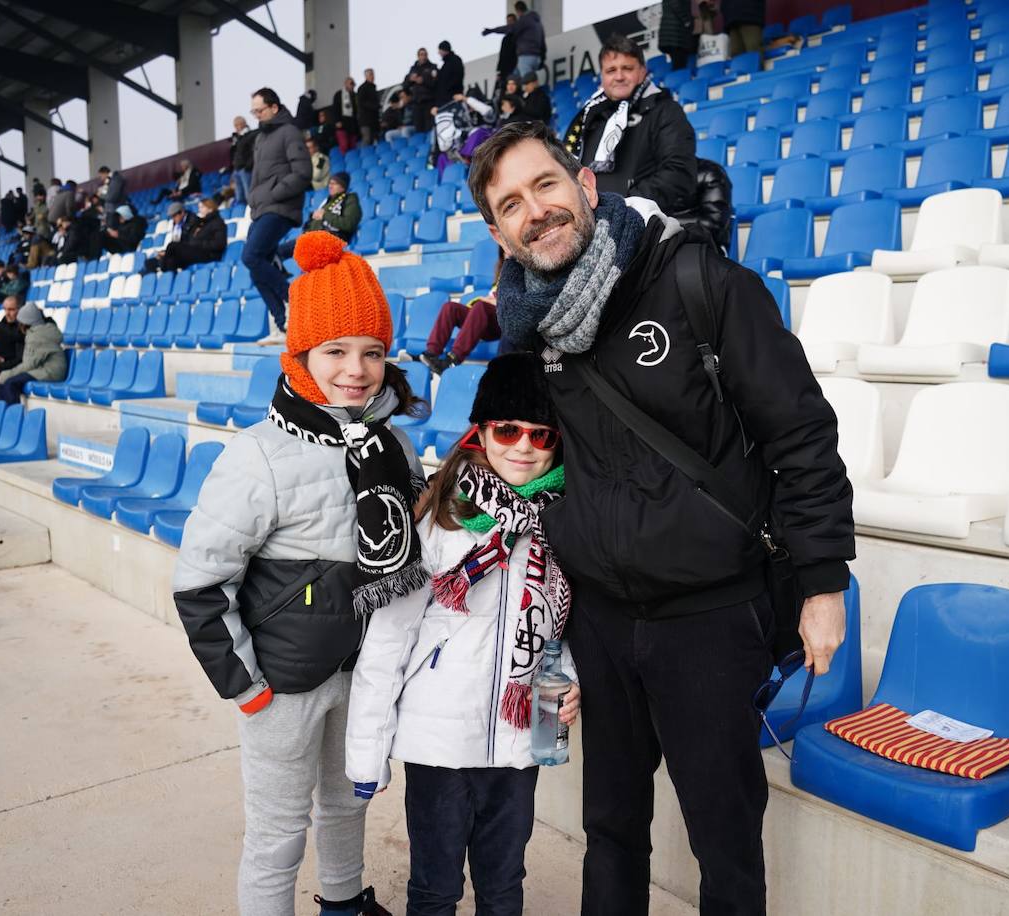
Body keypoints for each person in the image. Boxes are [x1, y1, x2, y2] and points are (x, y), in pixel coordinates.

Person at [467, 120, 854, 913]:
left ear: (586, 184)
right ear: (499, 235)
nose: (535, 210)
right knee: (610, 829)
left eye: (545, 185)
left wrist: (821, 582)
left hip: (709, 614)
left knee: (724, 837)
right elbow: (523, 478)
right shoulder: (525, 340)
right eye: (511, 204)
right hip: (602, 626)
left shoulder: (696, 282)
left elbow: (800, 431)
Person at [173, 231, 419, 916]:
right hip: (281, 683)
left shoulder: (393, 443)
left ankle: (343, 904)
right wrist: (245, 686)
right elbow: (198, 582)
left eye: (372, 352)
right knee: (277, 835)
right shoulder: (259, 454)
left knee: (346, 808)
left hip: (364, 672)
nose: (356, 369)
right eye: (336, 351)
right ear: (301, 354)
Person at [346, 352, 581, 916]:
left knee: (504, 884)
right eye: (507, 429)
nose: (523, 446)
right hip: (438, 744)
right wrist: (368, 753)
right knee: (435, 886)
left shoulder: (563, 525)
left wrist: (568, 679)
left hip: (521, 742)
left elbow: (559, 628)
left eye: (540, 434)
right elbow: (387, 640)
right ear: (481, 431)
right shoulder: (440, 520)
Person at [563, 34, 697, 217]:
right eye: (611, 70)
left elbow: (679, 174)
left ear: (642, 72)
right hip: (590, 221)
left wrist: (625, 205)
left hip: (640, 222)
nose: (619, 76)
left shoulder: (665, 111)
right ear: (602, 77)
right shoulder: (588, 118)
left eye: (627, 68)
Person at [245, 86, 311, 338]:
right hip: (261, 208)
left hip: (280, 206)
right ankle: (282, 322)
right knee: (255, 266)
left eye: (259, 110)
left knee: (250, 256)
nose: (257, 115)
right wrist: (254, 198)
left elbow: (303, 172)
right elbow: (256, 177)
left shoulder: (289, 132)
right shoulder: (260, 139)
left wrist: (275, 193)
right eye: (254, 111)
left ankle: (293, 299)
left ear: (274, 107)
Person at [418, 252, 505, 374]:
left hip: (504, 322)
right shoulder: (501, 274)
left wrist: (495, 301)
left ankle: (453, 359)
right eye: (503, 251)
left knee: (481, 307)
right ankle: (431, 353)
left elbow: (519, 302)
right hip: (488, 318)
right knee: (450, 308)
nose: (506, 252)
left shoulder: (524, 271)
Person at [0, 303, 66, 405]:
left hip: (50, 372)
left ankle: (11, 416)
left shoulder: (36, 336)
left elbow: (29, 365)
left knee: (10, 383)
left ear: (25, 323)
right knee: (7, 379)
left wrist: (7, 374)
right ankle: (1, 413)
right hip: (51, 369)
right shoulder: (44, 330)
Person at [144, 197, 227, 273]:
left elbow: (219, 244)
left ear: (210, 209)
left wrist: (199, 243)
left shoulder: (218, 222)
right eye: (199, 208)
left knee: (172, 246)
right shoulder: (202, 222)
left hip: (209, 254)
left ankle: (162, 264)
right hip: (198, 251)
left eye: (202, 207)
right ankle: (171, 283)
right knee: (171, 261)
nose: (200, 210)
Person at [483, 2, 545, 79]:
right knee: (513, 78)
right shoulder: (537, 23)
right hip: (536, 57)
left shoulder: (524, 21)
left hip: (526, 56)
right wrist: (542, 58)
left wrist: (491, 30)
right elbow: (543, 43)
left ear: (518, 11)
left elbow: (508, 28)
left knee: (527, 81)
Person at [306, 173, 362, 244]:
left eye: (334, 184)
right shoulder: (327, 201)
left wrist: (325, 215)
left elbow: (349, 224)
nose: (330, 186)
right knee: (293, 246)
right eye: (329, 183)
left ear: (343, 186)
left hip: (333, 239)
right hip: (314, 238)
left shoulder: (350, 199)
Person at [404, 48, 439, 132]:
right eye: (421, 55)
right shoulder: (413, 69)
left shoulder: (432, 67)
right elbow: (405, 86)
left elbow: (436, 84)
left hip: (429, 102)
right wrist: (410, 79)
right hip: (416, 103)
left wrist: (423, 81)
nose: (423, 57)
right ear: (418, 56)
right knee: (418, 128)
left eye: (425, 54)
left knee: (429, 127)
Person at [230, 115, 258, 205]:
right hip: (237, 169)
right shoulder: (237, 138)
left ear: (242, 124)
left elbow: (253, 151)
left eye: (237, 125)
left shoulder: (251, 135)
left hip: (245, 169)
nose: (236, 128)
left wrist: (248, 166)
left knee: (248, 194)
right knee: (239, 195)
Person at [26, 189, 54, 268]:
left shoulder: (47, 205)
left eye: (40, 196)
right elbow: (33, 215)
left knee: (35, 240)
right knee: (35, 242)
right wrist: (29, 218)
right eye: (37, 196)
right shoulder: (36, 206)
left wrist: (43, 216)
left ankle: (31, 264)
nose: (38, 198)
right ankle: (31, 264)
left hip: (45, 231)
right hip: (38, 231)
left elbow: (47, 214)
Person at [433, 41, 465, 106]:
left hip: (452, 98)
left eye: (440, 50)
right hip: (446, 98)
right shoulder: (446, 64)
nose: (439, 53)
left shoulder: (455, 60)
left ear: (444, 50)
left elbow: (457, 77)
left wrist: (448, 89)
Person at [494, 13, 519, 94]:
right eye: (508, 21)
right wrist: (499, 71)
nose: (509, 23)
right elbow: (502, 55)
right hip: (505, 69)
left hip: (514, 67)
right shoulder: (505, 39)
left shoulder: (519, 36)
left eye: (511, 21)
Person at [334, 78, 360, 153]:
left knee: (353, 146)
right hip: (342, 124)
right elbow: (335, 109)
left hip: (352, 124)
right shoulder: (339, 94)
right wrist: (337, 121)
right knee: (344, 145)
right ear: (345, 84)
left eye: (353, 84)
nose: (352, 86)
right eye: (351, 83)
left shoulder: (355, 95)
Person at [357, 69, 381, 146]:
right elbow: (362, 102)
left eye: (373, 74)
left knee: (374, 139)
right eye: (370, 74)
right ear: (366, 76)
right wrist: (375, 106)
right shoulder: (362, 88)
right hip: (366, 120)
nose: (372, 76)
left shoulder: (373, 87)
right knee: (367, 140)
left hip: (374, 120)